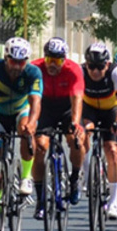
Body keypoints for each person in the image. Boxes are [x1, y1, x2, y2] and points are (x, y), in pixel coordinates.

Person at [31, 37, 86, 219]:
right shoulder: (35, 68)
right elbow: (32, 99)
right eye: (49, 60)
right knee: (40, 148)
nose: (52, 65)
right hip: (45, 106)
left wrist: (76, 123)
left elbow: (77, 98)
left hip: (66, 107)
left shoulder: (73, 70)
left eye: (57, 61)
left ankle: (75, 177)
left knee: (76, 141)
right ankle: (40, 200)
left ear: (64, 59)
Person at [0, 37, 41, 202]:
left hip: (20, 110)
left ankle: (25, 177)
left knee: (25, 129)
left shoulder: (32, 72)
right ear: (5, 58)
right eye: (13, 61)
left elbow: (35, 101)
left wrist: (32, 124)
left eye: (21, 62)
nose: (17, 66)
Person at [81, 42, 117, 219]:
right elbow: (75, 98)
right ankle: (87, 176)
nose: (95, 71)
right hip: (89, 108)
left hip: (111, 110)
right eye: (91, 66)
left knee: (112, 150)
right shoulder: (81, 71)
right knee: (84, 133)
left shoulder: (116, 71)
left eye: (100, 67)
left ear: (107, 64)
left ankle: (114, 202)